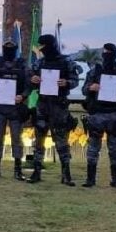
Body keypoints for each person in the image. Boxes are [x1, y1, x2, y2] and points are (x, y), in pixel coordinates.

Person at [81, 43, 116, 189]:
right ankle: (90, 179)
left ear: (115, 54)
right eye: (104, 52)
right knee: (93, 148)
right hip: (97, 113)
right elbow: (84, 89)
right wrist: (92, 87)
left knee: (115, 149)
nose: (106, 54)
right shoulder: (95, 71)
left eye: (109, 52)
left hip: (115, 114)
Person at [29, 34, 80, 184]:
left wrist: (67, 82)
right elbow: (30, 79)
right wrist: (33, 80)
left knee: (61, 141)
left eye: (43, 46)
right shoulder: (40, 63)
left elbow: (75, 81)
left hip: (59, 106)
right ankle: (36, 172)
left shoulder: (66, 62)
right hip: (43, 105)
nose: (41, 49)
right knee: (39, 141)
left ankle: (66, 174)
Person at [0, 39, 31, 180]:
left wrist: (22, 96)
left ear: (15, 49)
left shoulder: (23, 65)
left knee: (17, 140)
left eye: (11, 48)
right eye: (6, 48)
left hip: (16, 109)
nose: (8, 51)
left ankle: (18, 170)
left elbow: (29, 86)